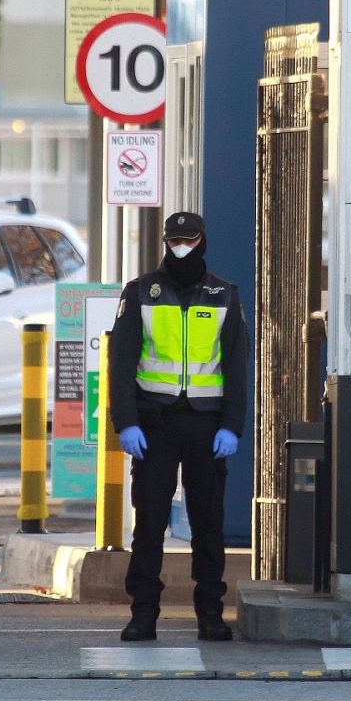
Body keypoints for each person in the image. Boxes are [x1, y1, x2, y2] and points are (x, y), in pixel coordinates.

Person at [107, 211, 250, 642]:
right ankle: (143, 614)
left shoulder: (224, 294)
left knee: (208, 525)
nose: (180, 248)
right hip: (155, 426)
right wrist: (126, 423)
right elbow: (122, 364)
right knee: (149, 525)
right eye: (174, 241)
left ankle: (210, 613)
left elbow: (237, 369)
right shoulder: (140, 293)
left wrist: (233, 427)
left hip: (207, 427)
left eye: (188, 240)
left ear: (202, 241)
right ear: (165, 243)